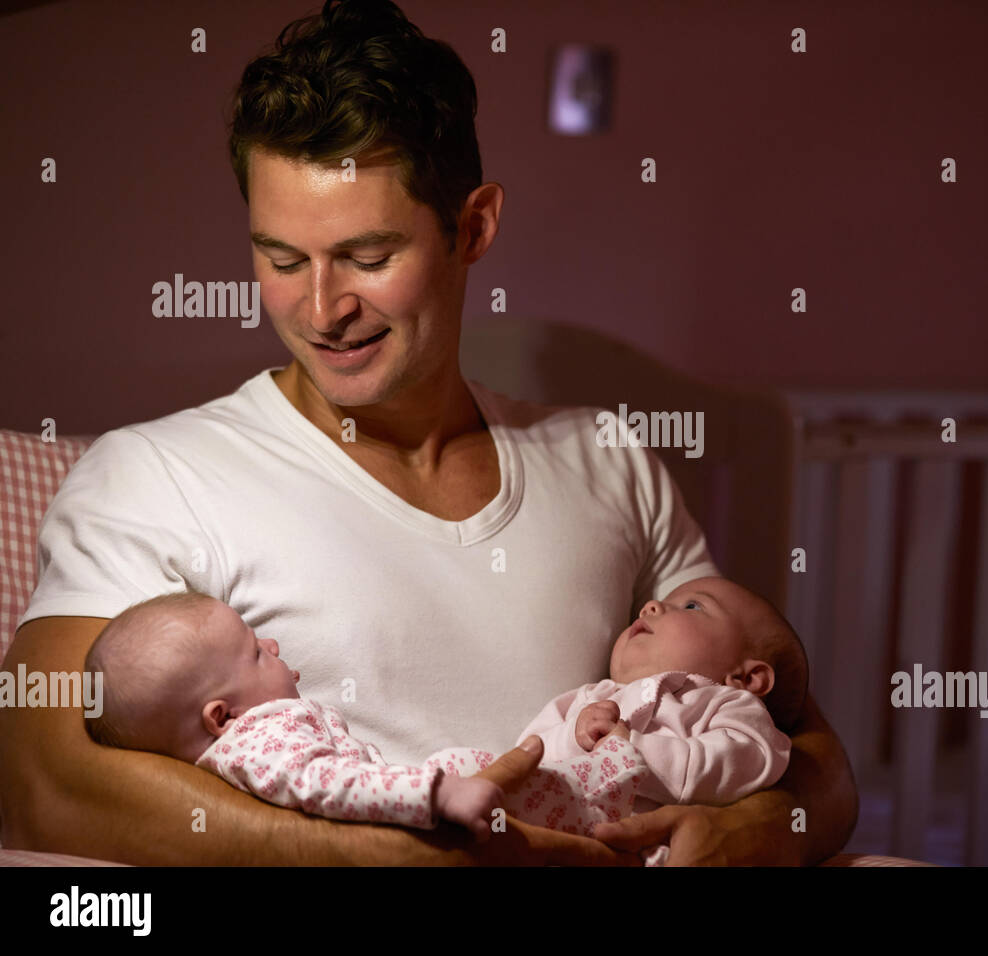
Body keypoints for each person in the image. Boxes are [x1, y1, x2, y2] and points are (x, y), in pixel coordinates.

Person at [0, 0, 857, 865]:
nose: (323, 309)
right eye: (283, 259)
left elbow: (808, 751)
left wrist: (758, 827)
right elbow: (37, 784)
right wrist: (394, 860)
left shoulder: (606, 457)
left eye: (369, 258)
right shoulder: (152, 474)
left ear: (473, 226)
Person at [82, 575, 806, 866]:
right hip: (491, 810)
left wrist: (630, 758)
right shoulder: (265, 739)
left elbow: (765, 752)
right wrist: (441, 794)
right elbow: (331, 785)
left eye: (686, 607)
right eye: (253, 648)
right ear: (218, 713)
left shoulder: (726, 702)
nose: (651, 606)